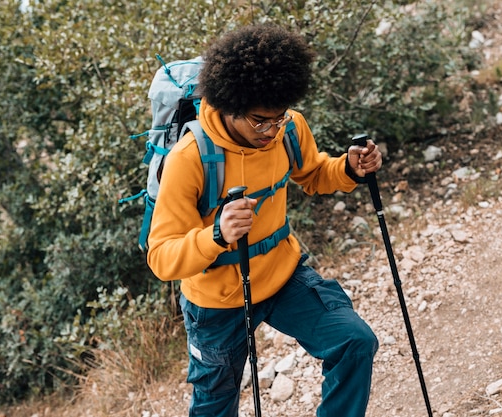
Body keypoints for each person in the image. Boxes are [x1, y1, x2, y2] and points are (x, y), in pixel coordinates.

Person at [147, 23, 382, 417]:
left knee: (354, 341)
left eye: (278, 118)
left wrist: (350, 168)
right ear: (230, 105)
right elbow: (161, 256)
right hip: (217, 301)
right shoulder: (189, 159)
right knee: (214, 407)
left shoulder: (287, 128)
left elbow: (313, 174)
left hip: (282, 275)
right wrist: (217, 235)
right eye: (260, 121)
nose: (272, 130)